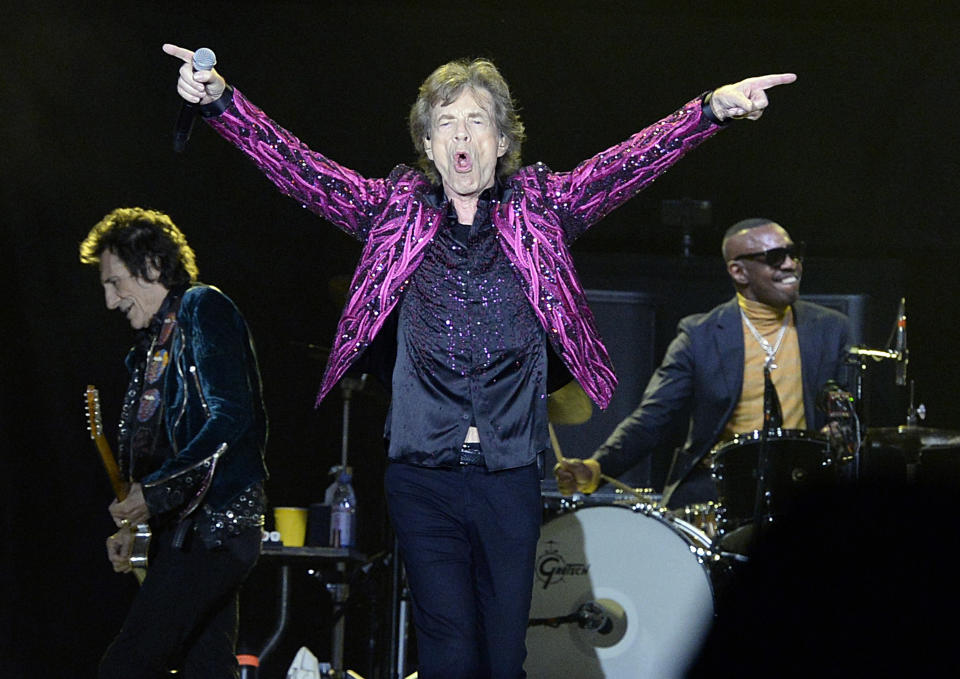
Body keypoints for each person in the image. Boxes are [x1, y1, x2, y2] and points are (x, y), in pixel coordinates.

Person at [162, 43, 794, 678]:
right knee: (447, 648)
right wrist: (222, 101)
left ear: (501, 139)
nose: (461, 135)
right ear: (430, 145)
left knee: (502, 655)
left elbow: (626, 165)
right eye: (445, 123)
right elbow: (298, 166)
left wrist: (709, 111)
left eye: (476, 121)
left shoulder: (541, 207)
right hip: (421, 475)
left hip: (509, 473)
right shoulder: (394, 210)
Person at [80, 207, 268, 679]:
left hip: (215, 529)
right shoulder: (147, 349)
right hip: (183, 532)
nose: (110, 300)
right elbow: (153, 451)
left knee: (128, 664)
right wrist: (136, 527)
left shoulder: (203, 307)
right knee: (208, 669)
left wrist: (155, 492)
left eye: (115, 281)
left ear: (154, 267)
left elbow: (231, 416)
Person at [555, 219, 852, 516]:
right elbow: (653, 418)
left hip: (805, 487)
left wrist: (839, 429)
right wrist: (597, 466)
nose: (791, 265)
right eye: (776, 257)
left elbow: (849, 410)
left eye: (794, 253)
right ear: (738, 271)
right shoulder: (699, 336)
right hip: (721, 491)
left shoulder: (830, 328)